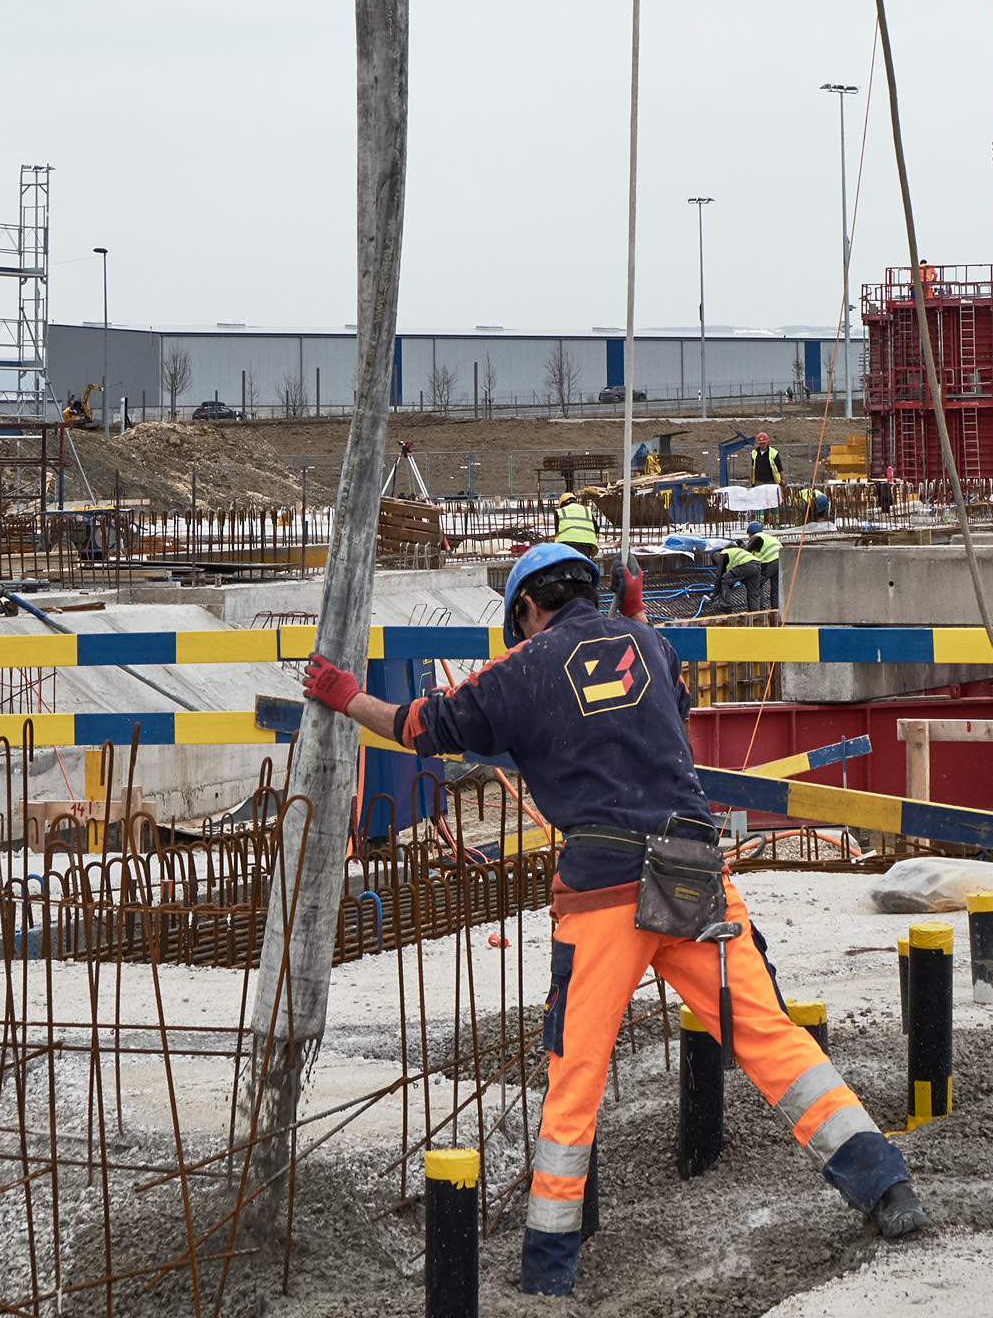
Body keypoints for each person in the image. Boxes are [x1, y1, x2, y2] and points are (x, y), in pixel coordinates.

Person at [303, 544, 923, 1293]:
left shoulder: (521, 669)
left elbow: (416, 727)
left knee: (576, 1078)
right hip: (693, 877)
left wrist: (341, 694)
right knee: (770, 1039)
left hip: (604, 894)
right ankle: (885, 1185)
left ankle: (548, 1276)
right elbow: (656, 699)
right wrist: (634, 617)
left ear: (527, 608)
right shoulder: (650, 643)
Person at [553, 487, 601, 560]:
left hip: (566, 545)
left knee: (568, 566)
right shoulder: (586, 510)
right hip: (587, 545)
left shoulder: (560, 512)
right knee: (582, 565)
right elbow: (597, 529)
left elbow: (557, 531)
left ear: (562, 503)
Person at [748, 516, 782, 613]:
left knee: (757, 583)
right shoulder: (768, 537)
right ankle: (776, 610)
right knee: (776, 587)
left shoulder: (756, 537)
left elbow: (747, 552)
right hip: (781, 561)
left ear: (750, 532)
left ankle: (760, 610)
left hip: (771, 562)